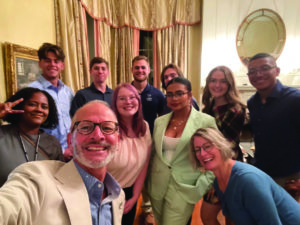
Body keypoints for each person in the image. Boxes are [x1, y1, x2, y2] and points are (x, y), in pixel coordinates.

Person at [0, 100, 125, 225]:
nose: (98, 135)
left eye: (107, 128)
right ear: (70, 141)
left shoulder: (117, 196)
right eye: (85, 127)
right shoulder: (35, 179)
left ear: (118, 141)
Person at [190, 127, 300, 225]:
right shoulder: (219, 182)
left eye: (207, 147)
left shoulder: (248, 180)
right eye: (197, 150)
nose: (203, 154)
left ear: (221, 146)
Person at [146, 77, 217, 225]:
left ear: (190, 95)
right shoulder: (159, 122)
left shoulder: (205, 121)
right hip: (157, 185)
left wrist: (206, 182)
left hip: (184, 186)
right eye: (170, 94)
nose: (174, 98)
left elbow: (217, 155)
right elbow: (154, 155)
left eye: (179, 93)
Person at [247, 53, 300, 200]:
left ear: (277, 71)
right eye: (252, 71)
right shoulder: (252, 102)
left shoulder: (294, 99)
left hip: (290, 177)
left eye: (264, 68)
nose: (258, 74)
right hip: (262, 173)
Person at [107, 83, 152, 225]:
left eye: (132, 97)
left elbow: (144, 164)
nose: (128, 102)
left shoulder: (144, 127)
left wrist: (135, 196)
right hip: (106, 193)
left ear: (138, 101)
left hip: (129, 192)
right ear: (115, 103)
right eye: (122, 98)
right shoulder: (108, 128)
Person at [0, 87, 64, 186]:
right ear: (20, 106)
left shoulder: (52, 143)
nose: (39, 109)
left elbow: (60, 179)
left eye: (44, 107)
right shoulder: (2, 134)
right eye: (32, 104)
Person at [28, 43, 74, 150]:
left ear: (62, 65)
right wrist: (62, 152)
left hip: (72, 152)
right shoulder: (31, 90)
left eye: (56, 61)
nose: (52, 64)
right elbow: (28, 130)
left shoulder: (68, 92)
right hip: (46, 153)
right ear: (40, 64)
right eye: (47, 61)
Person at [202, 65, 246, 161]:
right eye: (213, 80)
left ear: (230, 85)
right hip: (209, 159)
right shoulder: (208, 107)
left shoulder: (236, 111)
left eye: (223, 81)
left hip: (228, 162)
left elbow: (225, 146)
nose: (217, 85)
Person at [131, 55, 165, 135]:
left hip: (151, 140)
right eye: (136, 68)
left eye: (143, 67)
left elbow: (164, 119)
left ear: (149, 70)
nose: (140, 70)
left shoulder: (158, 94)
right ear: (131, 70)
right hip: (129, 139)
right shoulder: (124, 93)